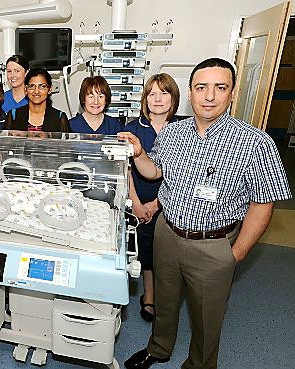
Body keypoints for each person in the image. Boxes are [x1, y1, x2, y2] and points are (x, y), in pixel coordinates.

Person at [121, 58, 291, 369]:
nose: (209, 96)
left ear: (231, 93)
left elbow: (265, 202)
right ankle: (158, 349)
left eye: (219, 87)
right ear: (190, 92)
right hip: (167, 233)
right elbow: (154, 172)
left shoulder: (255, 142)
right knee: (166, 302)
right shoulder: (174, 134)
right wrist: (140, 153)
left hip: (213, 244)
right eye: (202, 87)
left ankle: (199, 365)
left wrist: (236, 254)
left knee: (206, 316)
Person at [124, 73, 180, 323]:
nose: (158, 99)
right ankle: (149, 295)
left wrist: (158, 204)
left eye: (164, 93)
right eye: (152, 93)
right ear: (145, 99)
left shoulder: (184, 129)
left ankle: (166, 295)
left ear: (174, 98)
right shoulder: (133, 130)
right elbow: (124, 170)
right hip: (140, 201)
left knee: (168, 253)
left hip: (172, 203)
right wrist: (136, 203)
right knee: (145, 249)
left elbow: (184, 172)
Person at [4, 67, 70, 132]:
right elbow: (5, 142)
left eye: (42, 86)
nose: (36, 91)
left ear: (49, 89)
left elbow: (65, 142)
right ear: (25, 89)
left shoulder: (59, 117)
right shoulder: (14, 115)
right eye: (32, 86)